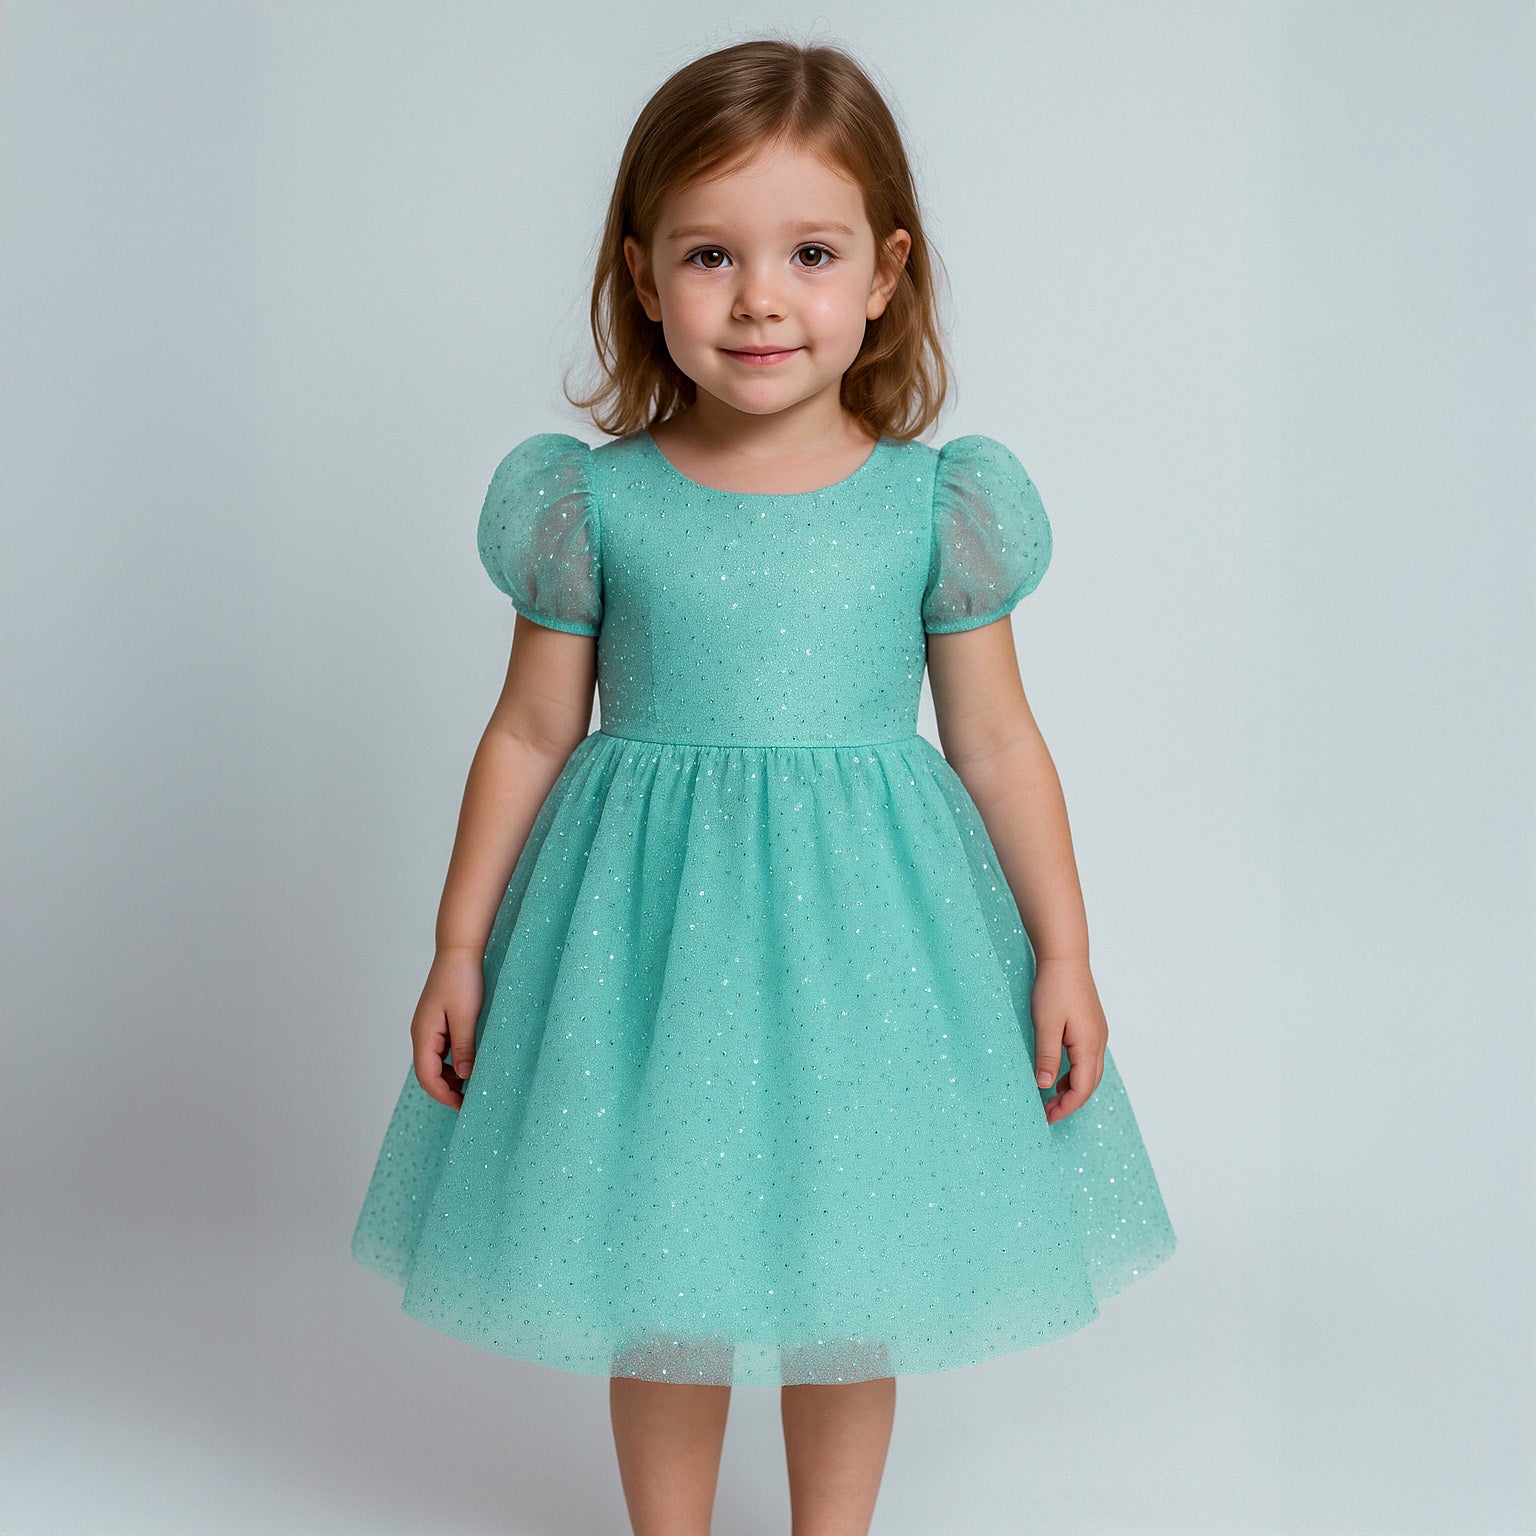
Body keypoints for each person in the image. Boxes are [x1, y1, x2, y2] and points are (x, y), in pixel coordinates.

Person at [351, 35, 1176, 1536]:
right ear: (643, 274)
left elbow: (997, 739)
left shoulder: (934, 505)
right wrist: (459, 943)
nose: (758, 299)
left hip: (873, 948)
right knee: (658, 1269)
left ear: (885, 273)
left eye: (810, 252)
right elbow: (529, 730)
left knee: (851, 1273)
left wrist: (1064, 950)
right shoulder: (593, 503)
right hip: (645, 949)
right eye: (710, 254)